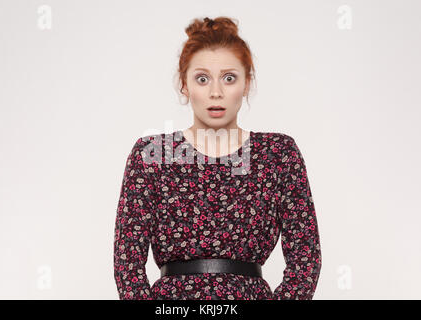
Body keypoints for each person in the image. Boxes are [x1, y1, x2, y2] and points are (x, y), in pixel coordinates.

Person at [114, 16, 322, 300]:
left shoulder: (278, 153)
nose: (215, 92)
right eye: (202, 79)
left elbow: (305, 260)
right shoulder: (152, 154)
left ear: (247, 83)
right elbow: (127, 267)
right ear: (184, 85)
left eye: (229, 78)